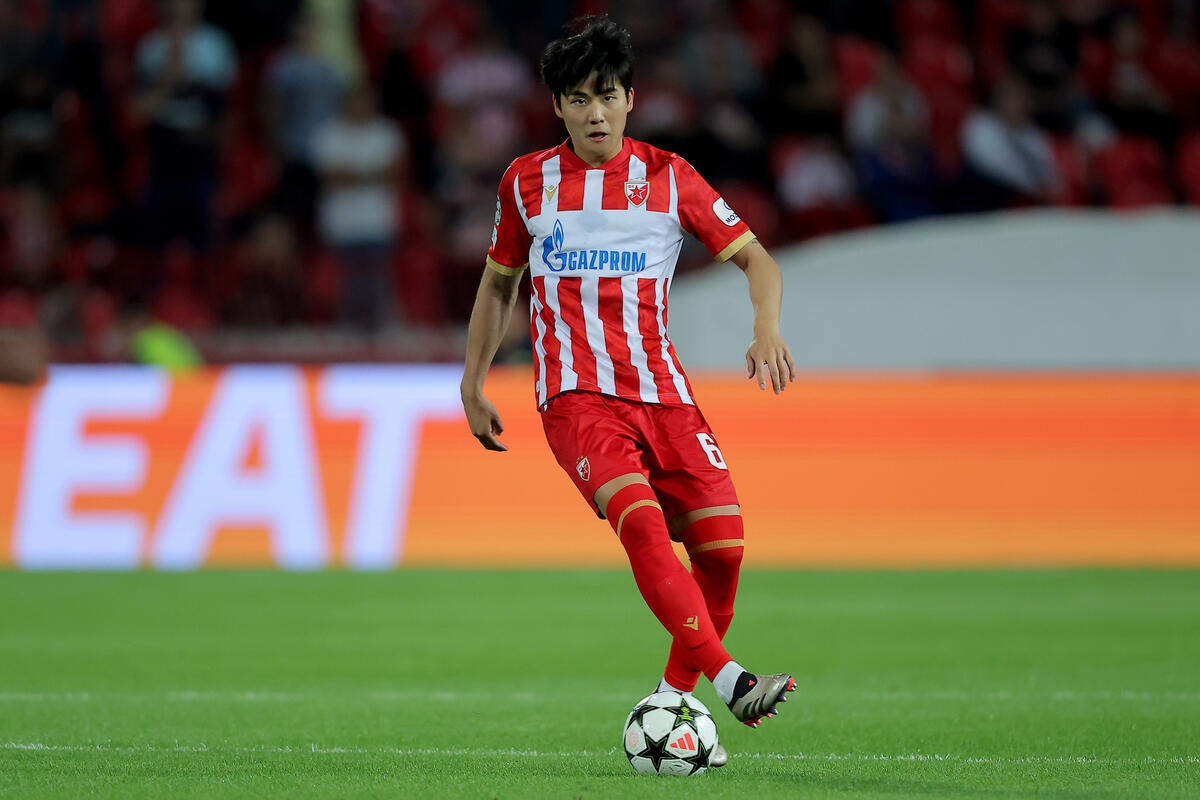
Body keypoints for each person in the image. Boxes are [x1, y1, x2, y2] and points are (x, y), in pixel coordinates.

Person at [459, 17, 796, 767]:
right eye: (578, 99)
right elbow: (499, 284)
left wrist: (765, 328)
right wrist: (473, 381)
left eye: (607, 95)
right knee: (640, 522)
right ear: (557, 106)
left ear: (631, 99)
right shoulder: (526, 182)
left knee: (724, 550)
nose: (595, 113)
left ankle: (673, 700)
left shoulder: (670, 176)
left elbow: (760, 263)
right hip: (576, 398)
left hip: (664, 394)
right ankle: (732, 680)